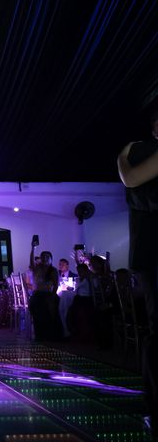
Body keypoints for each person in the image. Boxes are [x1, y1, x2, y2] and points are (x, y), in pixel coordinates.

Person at [117, 113, 158, 437]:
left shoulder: (139, 153)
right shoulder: (145, 153)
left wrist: (123, 155)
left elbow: (131, 182)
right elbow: (133, 186)